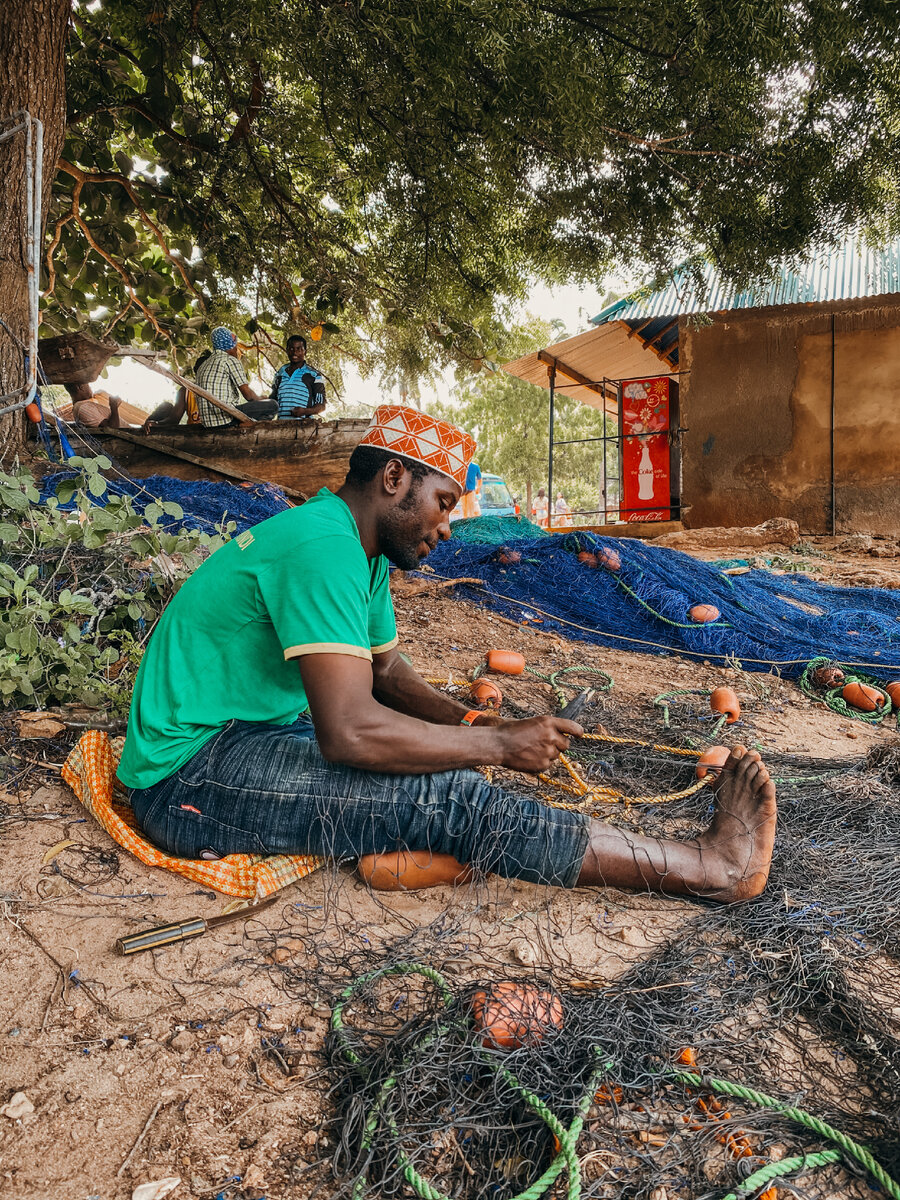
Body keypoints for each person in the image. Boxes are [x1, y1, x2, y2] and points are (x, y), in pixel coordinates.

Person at [117, 404, 776, 903]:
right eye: (442, 504)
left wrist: (474, 725)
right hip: (188, 779)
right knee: (454, 801)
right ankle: (711, 870)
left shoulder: (354, 546)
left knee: (442, 769)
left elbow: (385, 671)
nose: (444, 528)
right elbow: (348, 732)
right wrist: (500, 748)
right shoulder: (323, 548)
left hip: (246, 733)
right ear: (394, 477)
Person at [192, 327, 278, 426]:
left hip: (208, 423)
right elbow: (248, 395)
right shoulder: (229, 360)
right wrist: (260, 399)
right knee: (272, 405)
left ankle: (247, 423)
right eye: (235, 344)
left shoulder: (204, 364)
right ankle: (248, 427)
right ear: (231, 345)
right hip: (225, 419)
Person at [270, 335, 326, 419]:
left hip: (305, 427)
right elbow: (273, 401)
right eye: (291, 349)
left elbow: (321, 406)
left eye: (299, 349)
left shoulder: (314, 375)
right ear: (287, 350)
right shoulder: (280, 374)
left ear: (305, 352)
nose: (295, 352)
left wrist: (304, 411)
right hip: (280, 427)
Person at [65, 383, 141, 430]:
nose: (90, 388)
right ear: (80, 387)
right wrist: (114, 407)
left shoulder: (81, 406)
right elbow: (112, 430)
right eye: (88, 385)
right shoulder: (83, 408)